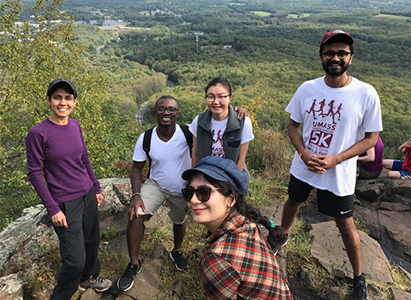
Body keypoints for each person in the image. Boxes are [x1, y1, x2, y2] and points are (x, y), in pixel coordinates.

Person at [275, 30, 383, 300]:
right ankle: (281, 236)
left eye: (341, 53)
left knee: (345, 223)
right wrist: (302, 153)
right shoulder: (307, 88)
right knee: (292, 202)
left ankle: (359, 278)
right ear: (321, 56)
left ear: (351, 58)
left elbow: (371, 138)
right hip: (304, 166)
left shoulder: (365, 93)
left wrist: (337, 159)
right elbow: (293, 126)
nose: (335, 58)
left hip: (339, 172)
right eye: (330, 53)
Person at [26, 78, 112, 299]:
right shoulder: (38, 133)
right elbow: (35, 173)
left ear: (75, 102)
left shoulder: (75, 125)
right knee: (74, 261)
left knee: (92, 241)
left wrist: (95, 186)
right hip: (65, 202)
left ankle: (90, 277)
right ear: (49, 100)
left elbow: (83, 157)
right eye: (57, 97)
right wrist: (53, 209)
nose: (62, 102)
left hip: (87, 195)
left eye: (67, 98)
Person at [181, 156, 294, 300]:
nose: (193, 200)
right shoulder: (247, 224)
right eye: (189, 193)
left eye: (204, 192)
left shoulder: (217, 259)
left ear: (231, 199)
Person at [116, 96, 192, 292]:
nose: (166, 112)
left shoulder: (188, 132)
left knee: (179, 219)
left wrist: (236, 113)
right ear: (155, 112)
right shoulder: (146, 137)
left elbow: (215, 122)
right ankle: (134, 263)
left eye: (171, 109)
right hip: (156, 184)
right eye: (161, 109)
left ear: (178, 113)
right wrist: (136, 195)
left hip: (182, 187)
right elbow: (136, 169)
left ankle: (177, 251)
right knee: (135, 216)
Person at [189, 77, 254, 171]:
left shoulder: (243, 122)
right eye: (210, 96)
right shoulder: (199, 121)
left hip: (231, 177)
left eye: (221, 96)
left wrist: (233, 183)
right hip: (205, 176)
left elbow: (241, 158)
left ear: (230, 98)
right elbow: (195, 154)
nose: (215, 102)